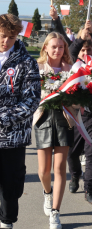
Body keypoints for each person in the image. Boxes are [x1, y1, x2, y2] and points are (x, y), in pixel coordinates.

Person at [0, 14, 41, 229]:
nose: (4, 41)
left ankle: (7, 223)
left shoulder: (27, 62)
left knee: (10, 183)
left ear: (16, 36)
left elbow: (32, 99)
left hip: (12, 135)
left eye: (9, 37)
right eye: (1, 36)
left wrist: (4, 118)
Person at [33, 32, 76, 229]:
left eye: (61, 47)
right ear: (46, 48)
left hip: (64, 120)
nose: (57, 50)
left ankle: (55, 213)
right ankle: (47, 194)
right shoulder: (37, 68)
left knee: (59, 169)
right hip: (43, 118)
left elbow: (79, 95)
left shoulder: (72, 70)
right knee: (43, 171)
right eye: (54, 46)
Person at [67, 22, 92, 204]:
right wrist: (80, 39)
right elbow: (70, 52)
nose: (86, 53)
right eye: (83, 50)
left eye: (88, 50)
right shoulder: (72, 65)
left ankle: (89, 189)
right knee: (72, 152)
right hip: (75, 116)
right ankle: (75, 175)